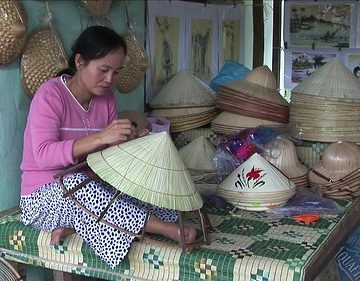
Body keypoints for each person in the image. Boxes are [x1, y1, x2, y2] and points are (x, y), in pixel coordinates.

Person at [19, 25, 196, 269]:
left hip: (89, 190)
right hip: (43, 198)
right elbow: (43, 156)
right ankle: (161, 227)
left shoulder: (106, 98)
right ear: (80, 62)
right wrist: (101, 137)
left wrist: (131, 143)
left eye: (116, 72)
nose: (109, 80)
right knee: (75, 185)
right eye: (103, 70)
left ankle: (82, 223)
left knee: (134, 186)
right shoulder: (50, 95)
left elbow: (106, 159)